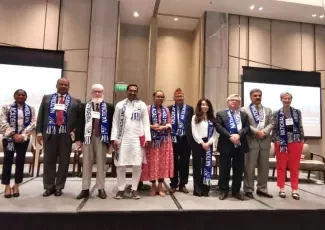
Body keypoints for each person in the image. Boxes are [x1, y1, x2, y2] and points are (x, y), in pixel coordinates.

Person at [36, 78, 82, 197]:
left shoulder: (76, 101)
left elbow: (78, 120)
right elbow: (41, 116)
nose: (63, 86)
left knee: (64, 163)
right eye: (61, 84)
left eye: (65, 84)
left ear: (69, 86)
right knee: (48, 162)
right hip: (50, 134)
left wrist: (76, 135)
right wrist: (39, 133)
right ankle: (48, 187)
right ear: (57, 85)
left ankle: (59, 187)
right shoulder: (47, 98)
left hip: (65, 136)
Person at [111, 84, 151, 200]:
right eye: (130, 90)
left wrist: (147, 138)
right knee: (121, 164)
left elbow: (146, 122)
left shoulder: (142, 105)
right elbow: (115, 122)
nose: (132, 93)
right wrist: (114, 138)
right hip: (123, 139)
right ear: (127, 91)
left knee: (137, 164)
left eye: (135, 91)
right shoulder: (120, 105)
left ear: (137, 92)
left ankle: (134, 189)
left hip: (137, 139)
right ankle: (121, 189)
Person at [76, 84, 114, 200]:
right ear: (91, 93)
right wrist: (78, 138)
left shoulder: (109, 107)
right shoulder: (84, 106)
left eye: (100, 92)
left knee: (101, 164)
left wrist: (111, 141)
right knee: (86, 163)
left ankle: (101, 188)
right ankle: (85, 189)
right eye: (95, 92)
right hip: (88, 137)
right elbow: (79, 122)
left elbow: (112, 124)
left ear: (103, 93)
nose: (97, 94)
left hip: (102, 138)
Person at [0, 89, 36, 198]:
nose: (21, 96)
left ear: (26, 97)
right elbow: (2, 121)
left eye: (23, 95)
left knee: (20, 161)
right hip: (9, 138)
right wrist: (14, 134)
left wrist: (22, 135)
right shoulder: (6, 107)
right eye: (18, 94)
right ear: (14, 96)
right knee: (7, 161)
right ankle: (7, 186)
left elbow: (33, 122)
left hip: (23, 139)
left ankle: (16, 185)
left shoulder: (31, 109)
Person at [216, 94, 250, 200]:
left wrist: (239, 135)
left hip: (240, 145)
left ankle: (236, 191)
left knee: (238, 169)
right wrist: (230, 136)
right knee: (224, 168)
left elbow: (247, 128)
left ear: (239, 103)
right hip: (226, 144)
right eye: (232, 100)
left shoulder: (244, 115)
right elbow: (219, 127)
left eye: (236, 100)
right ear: (228, 102)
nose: (234, 102)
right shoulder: (221, 114)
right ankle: (223, 190)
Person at [241, 88, 274, 198]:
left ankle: (262, 189)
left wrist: (264, 132)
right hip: (251, 142)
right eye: (255, 95)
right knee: (249, 167)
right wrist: (256, 132)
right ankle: (248, 189)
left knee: (264, 168)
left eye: (259, 95)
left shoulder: (268, 110)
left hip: (265, 142)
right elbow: (244, 124)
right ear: (251, 97)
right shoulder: (244, 110)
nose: (258, 97)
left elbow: (272, 123)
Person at [271, 92, 304, 200]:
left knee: (295, 167)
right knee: (281, 166)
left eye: (289, 98)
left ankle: (295, 189)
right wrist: (276, 140)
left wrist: (302, 140)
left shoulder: (297, 112)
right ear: (281, 99)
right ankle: (282, 189)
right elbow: (274, 128)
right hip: (281, 142)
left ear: (291, 100)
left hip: (295, 142)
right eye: (285, 98)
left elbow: (300, 126)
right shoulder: (276, 113)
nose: (287, 100)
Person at [140, 90, 174, 197]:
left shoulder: (166, 110)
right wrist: (151, 127)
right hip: (152, 141)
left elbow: (169, 123)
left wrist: (164, 127)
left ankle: (160, 186)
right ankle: (153, 186)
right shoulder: (147, 108)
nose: (160, 98)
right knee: (152, 163)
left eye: (162, 97)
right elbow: (142, 123)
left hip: (164, 141)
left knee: (162, 163)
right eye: (158, 96)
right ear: (153, 97)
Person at [168, 88, 194, 193]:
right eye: (177, 96)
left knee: (184, 163)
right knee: (173, 163)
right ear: (173, 98)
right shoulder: (169, 109)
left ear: (184, 97)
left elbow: (192, 123)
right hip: (173, 139)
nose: (179, 98)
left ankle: (183, 184)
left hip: (185, 140)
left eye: (181, 96)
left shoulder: (190, 108)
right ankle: (173, 184)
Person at [191, 98, 217, 197]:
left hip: (208, 144)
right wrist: (202, 143)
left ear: (209, 106)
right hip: (198, 143)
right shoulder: (195, 117)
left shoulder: (212, 118)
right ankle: (197, 189)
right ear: (199, 106)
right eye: (202, 104)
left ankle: (205, 189)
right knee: (197, 167)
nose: (204, 106)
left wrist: (209, 143)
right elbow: (194, 132)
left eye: (206, 105)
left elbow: (215, 133)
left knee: (207, 166)